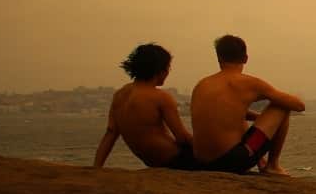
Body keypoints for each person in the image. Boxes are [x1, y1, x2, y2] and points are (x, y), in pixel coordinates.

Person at [190, 34, 304, 175]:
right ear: (245, 58)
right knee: (281, 106)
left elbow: (228, 113)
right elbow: (299, 106)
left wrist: (259, 118)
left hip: (201, 161)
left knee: (239, 117)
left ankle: (261, 162)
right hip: (233, 161)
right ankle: (272, 165)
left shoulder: (202, 84)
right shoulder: (249, 83)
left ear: (219, 59)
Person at [94, 43, 197, 170]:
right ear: (160, 70)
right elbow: (182, 138)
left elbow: (110, 133)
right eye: (168, 68)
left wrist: (96, 167)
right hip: (174, 159)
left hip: (153, 162)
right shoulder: (160, 97)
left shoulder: (119, 95)